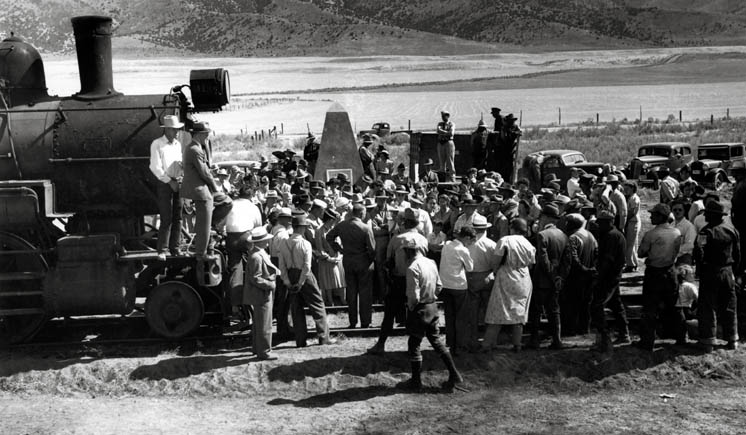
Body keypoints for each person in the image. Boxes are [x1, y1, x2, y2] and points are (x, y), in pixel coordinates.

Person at [400, 238, 463, 391]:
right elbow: (439, 285)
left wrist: (412, 307)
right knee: (436, 341)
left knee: (414, 343)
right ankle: (454, 374)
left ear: (407, 251)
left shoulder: (412, 268)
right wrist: (431, 298)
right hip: (432, 306)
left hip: (420, 308)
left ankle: (416, 382)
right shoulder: (431, 263)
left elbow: (413, 296)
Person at [368, 208, 428, 355]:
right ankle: (415, 347)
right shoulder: (423, 239)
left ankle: (381, 344)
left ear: (405, 222)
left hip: (399, 280)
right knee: (417, 313)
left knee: (389, 314)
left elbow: (388, 261)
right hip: (418, 281)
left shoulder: (397, 239)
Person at [481, 218, 536, 352]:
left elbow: (496, 259)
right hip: (523, 277)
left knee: (497, 310)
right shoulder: (529, 244)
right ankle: (517, 344)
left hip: (506, 275)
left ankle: (488, 344)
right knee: (519, 313)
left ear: (513, 228)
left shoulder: (505, 240)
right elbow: (532, 263)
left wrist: (494, 271)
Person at [278, 214, 333, 347]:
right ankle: (323, 337)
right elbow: (307, 266)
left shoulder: (284, 243)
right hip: (305, 276)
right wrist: (301, 282)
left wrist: (287, 282)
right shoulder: (305, 244)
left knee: (296, 308)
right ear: (302, 228)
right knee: (317, 304)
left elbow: (281, 266)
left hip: (290, 275)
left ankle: (300, 340)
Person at [636, 203, 684, 350]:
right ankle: (681, 336)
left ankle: (647, 341)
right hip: (670, 271)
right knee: (675, 306)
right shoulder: (676, 232)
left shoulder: (651, 234)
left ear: (660, 216)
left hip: (654, 272)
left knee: (650, 308)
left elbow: (640, 253)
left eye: (653, 214)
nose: (650, 216)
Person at [694, 201, 741, 352]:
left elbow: (699, 254)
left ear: (713, 215)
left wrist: (700, 270)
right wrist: (735, 272)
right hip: (728, 271)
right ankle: (732, 339)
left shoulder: (705, 232)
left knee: (707, 306)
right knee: (729, 306)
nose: (705, 215)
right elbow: (738, 255)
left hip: (710, 272)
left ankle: (708, 341)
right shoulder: (732, 230)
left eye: (707, 213)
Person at [326, 203, 376, 328]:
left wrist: (340, 249)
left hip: (348, 260)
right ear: (360, 213)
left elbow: (329, 236)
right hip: (363, 261)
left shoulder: (342, 225)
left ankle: (352, 321)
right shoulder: (365, 228)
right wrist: (370, 259)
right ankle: (365, 321)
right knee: (365, 293)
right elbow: (373, 249)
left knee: (351, 292)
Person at [528, 205, 568, 349]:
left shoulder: (542, 235)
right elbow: (566, 260)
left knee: (537, 310)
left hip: (542, 279)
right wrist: (559, 277)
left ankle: (534, 340)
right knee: (554, 309)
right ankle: (557, 340)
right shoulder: (563, 235)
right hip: (556, 280)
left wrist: (551, 275)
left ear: (546, 218)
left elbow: (543, 260)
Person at [590, 210, 629, 352]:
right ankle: (624, 333)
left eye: (601, 222)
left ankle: (604, 339)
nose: (598, 225)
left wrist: (598, 277)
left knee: (596, 305)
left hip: (608, 278)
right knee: (616, 304)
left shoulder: (611, 236)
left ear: (610, 222)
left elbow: (607, 260)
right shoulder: (615, 234)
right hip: (614, 276)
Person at [181, 121, 220, 259]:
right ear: (199, 134)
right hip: (200, 190)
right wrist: (216, 188)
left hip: (199, 189)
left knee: (204, 221)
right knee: (204, 223)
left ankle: (202, 247)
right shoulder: (195, 149)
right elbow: (204, 172)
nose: (208, 136)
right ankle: (201, 253)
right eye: (206, 134)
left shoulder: (192, 147)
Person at [149, 114, 184, 261]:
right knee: (166, 217)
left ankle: (175, 247)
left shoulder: (177, 144)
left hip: (177, 181)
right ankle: (162, 250)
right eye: (175, 130)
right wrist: (170, 181)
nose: (177, 132)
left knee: (178, 216)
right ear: (167, 129)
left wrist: (180, 176)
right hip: (165, 183)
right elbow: (155, 167)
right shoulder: (157, 144)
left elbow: (180, 162)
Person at [244, 226, 280, 360]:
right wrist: (270, 284)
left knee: (260, 323)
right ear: (259, 242)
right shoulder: (256, 256)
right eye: (265, 240)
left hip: (261, 293)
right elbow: (255, 278)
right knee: (264, 323)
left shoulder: (257, 253)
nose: (267, 242)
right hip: (262, 294)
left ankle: (257, 348)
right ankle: (264, 351)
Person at [560, 213, 598, 337]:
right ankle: (584, 328)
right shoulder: (590, 235)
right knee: (586, 303)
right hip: (590, 275)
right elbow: (597, 253)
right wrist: (592, 268)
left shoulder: (573, 237)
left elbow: (573, 258)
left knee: (572, 304)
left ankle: (570, 329)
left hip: (576, 276)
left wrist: (582, 269)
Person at [439, 227, 475, 355]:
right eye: (470, 240)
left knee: (449, 315)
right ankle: (460, 346)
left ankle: (451, 343)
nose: (470, 242)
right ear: (466, 238)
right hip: (458, 286)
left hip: (445, 284)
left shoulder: (447, 245)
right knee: (461, 317)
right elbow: (470, 268)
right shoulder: (463, 250)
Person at [467, 215, 496, 349]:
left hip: (472, 277)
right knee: (488, 309)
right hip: (487, 276)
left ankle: (473, 339)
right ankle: (489, 341)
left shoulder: (468, 244)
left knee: (473, 311)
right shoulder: (491, 244)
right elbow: (494, 264)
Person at [315, 208, 346, 306]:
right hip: (327, 259)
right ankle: (330, 301)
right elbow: (319, 248)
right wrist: (329, 258)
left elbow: (341, 244)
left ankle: (343, 300)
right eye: (333, 219)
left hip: (338, 258)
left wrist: (340, 256)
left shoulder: (336, 229)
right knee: (328, 282)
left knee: (341, 280)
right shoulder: (319, 231)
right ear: (329, 219)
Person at [622, 181, 641, 273]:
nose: (625, 190)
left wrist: (624, 221)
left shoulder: (634, 198)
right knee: (631, 244)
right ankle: (633, 262)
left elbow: (632, 212)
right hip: (631, 222)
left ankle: (630, 264)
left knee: (630, 244)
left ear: (633, 188)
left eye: (627, 189)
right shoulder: (630, 198)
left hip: (633, 222)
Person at [672, 199, 696, 265]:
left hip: (684, 257)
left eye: (680, 210)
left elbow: (690, 245)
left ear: (684, 211)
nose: (677, 212)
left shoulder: (689, 226)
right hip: (671, 257)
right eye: (675, 210)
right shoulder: (671, 225)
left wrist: (674, 251)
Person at [436, 111, 456, 180]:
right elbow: (438, 130)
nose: (443, 117)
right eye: (442, 116)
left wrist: (443, 132)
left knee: (450, 160)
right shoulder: (440, 124)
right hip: (441, 143)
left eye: (445, 116)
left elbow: (451, 133)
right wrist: (446, 132)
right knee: (441, 161)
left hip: (448, 142)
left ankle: (452, 177)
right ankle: (442, 177)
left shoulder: (451, 124)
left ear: (448, 116)